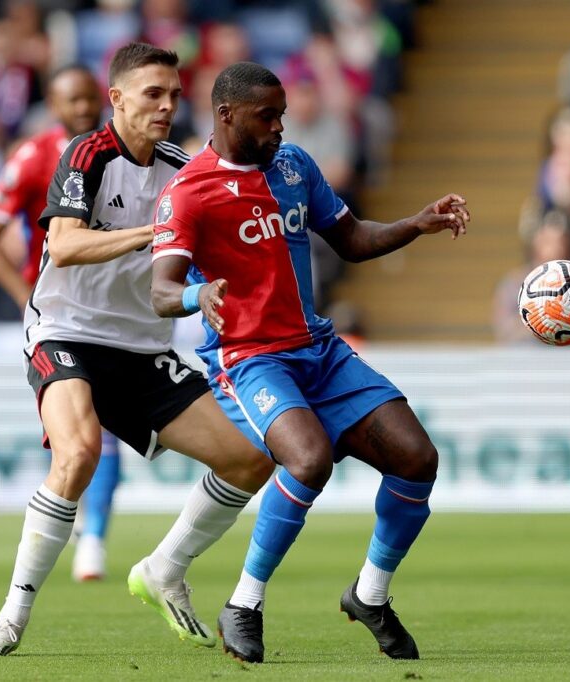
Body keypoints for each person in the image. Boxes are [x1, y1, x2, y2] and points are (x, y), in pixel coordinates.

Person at [150, 61, 469, 663]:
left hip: (318, 351)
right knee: (308, 458)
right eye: (265, 117)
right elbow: (160, 289)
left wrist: (415, 224)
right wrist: (199, 294)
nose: (277, 127)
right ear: (225, 115)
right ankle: (244, 602)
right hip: (249, 361)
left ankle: (370, 595)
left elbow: (351, 239)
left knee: (418, 458)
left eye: (282, 116)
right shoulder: (188, 193)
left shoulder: (294, 165)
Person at [0, 43, 274, 658]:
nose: (166, 106)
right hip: (65, 331)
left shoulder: (183, 169)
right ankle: (11, 617)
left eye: (175, 95)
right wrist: (155, 231)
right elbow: (68, 244)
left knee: (250, 461)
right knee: (78, 455)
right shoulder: (85, 155)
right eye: (152, 94)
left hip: (139, 347)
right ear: (118, 99)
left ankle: (164, 568)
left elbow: (213, 246)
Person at [0, 65, 117, 582]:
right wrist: (21, 294)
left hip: (117, 307)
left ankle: (94, 537)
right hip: (57, 312)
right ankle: (76, 525)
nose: (83, 109)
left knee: (105, 429)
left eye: (89, 99)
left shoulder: (124, 150)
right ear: (53, 106)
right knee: (69, 431)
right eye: (72, 101)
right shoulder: (34, 156)